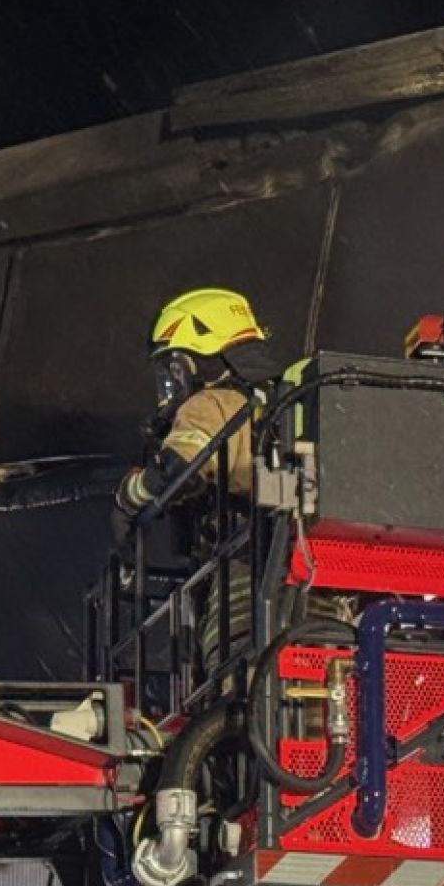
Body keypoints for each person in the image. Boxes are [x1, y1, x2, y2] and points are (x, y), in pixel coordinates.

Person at [114, 288, 280, 673]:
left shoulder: (212, 403)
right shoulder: (282, 403)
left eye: (175, 368)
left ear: (202, 357)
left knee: (237, 683)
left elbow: (176, 469)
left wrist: (128, 497)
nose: (173, 381)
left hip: (246, 579)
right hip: (315, 586)